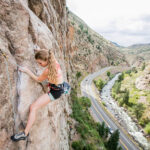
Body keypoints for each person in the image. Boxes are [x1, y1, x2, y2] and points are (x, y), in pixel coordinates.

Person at [11, 49, 64, 142]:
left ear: (46, 60)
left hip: (54, 92)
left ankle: (25, 133)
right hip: (58, 87)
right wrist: (38, 52)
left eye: (40, 63)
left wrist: (26, 70)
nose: (40, 65)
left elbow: (38, 79)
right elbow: (47, 52)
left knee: (33, 107)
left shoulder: (47, 71)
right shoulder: (53, 59)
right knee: (34, 106)